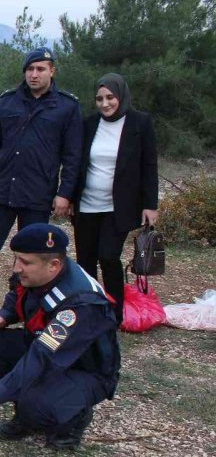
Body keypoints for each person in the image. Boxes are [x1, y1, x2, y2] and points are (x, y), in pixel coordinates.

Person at [0, 223, 120, 450]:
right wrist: (6, 315)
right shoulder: (36, 272)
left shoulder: (79, 303)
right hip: (44, 348)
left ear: (54, 265)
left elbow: (42, 357)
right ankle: (25, 412)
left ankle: (73, 418)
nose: (17, 268)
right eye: (17, 259)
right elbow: (18, 292)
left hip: (84, 370)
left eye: (25, 262)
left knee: (35, 403)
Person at [0, 47, 83, 315]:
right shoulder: (8, 101)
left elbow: (72, 156)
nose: (34, 74)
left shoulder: (66, 106)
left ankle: (17, 301)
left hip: (39, 191)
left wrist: (65, 193)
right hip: (4, 186)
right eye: (30, 69)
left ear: (52, 71)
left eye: (40, 69)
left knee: (32, 250)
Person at [72, 73, 159, 326]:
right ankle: (88, 309)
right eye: (99, 98)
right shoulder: (88, 124)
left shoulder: (140, 123)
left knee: (108, 256)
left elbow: (149, 165)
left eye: (110, 97)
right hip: (86, 204)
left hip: (118, 206)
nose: (105, 103)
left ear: (121, 96)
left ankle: (114, 312)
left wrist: (150, 204)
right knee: (85, 259)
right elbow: (77, 162)